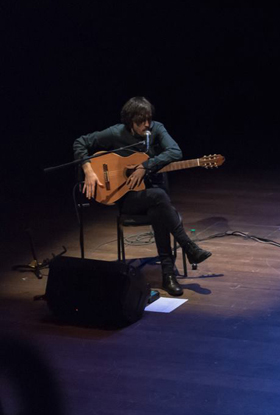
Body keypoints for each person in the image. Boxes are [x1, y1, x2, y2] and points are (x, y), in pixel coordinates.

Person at [73, 97, 211, 296]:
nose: (147, 125)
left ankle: (169, 274)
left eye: (149, 119)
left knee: (159, 206)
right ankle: (184, 253)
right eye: (141, 121)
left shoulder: (156, 129)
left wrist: (144, 166)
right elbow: (80, 142)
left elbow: (175, 151)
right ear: (130, 121)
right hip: (128, 199)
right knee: (161, 200)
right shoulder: (116, 133)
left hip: (155, 196)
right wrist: (88, 170)